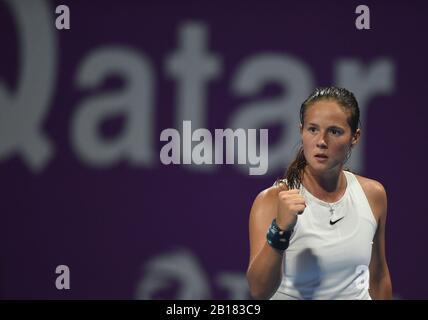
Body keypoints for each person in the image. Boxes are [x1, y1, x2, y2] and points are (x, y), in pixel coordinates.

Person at [246, 87, 392, 300]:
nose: (321, 141)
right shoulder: (270, 200)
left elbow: (378, 278)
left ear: (355, 137)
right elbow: (258, 291)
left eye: (334, 131)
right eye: (313, 129)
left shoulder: (373, 195)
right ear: (301, 131)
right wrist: (281, 229)